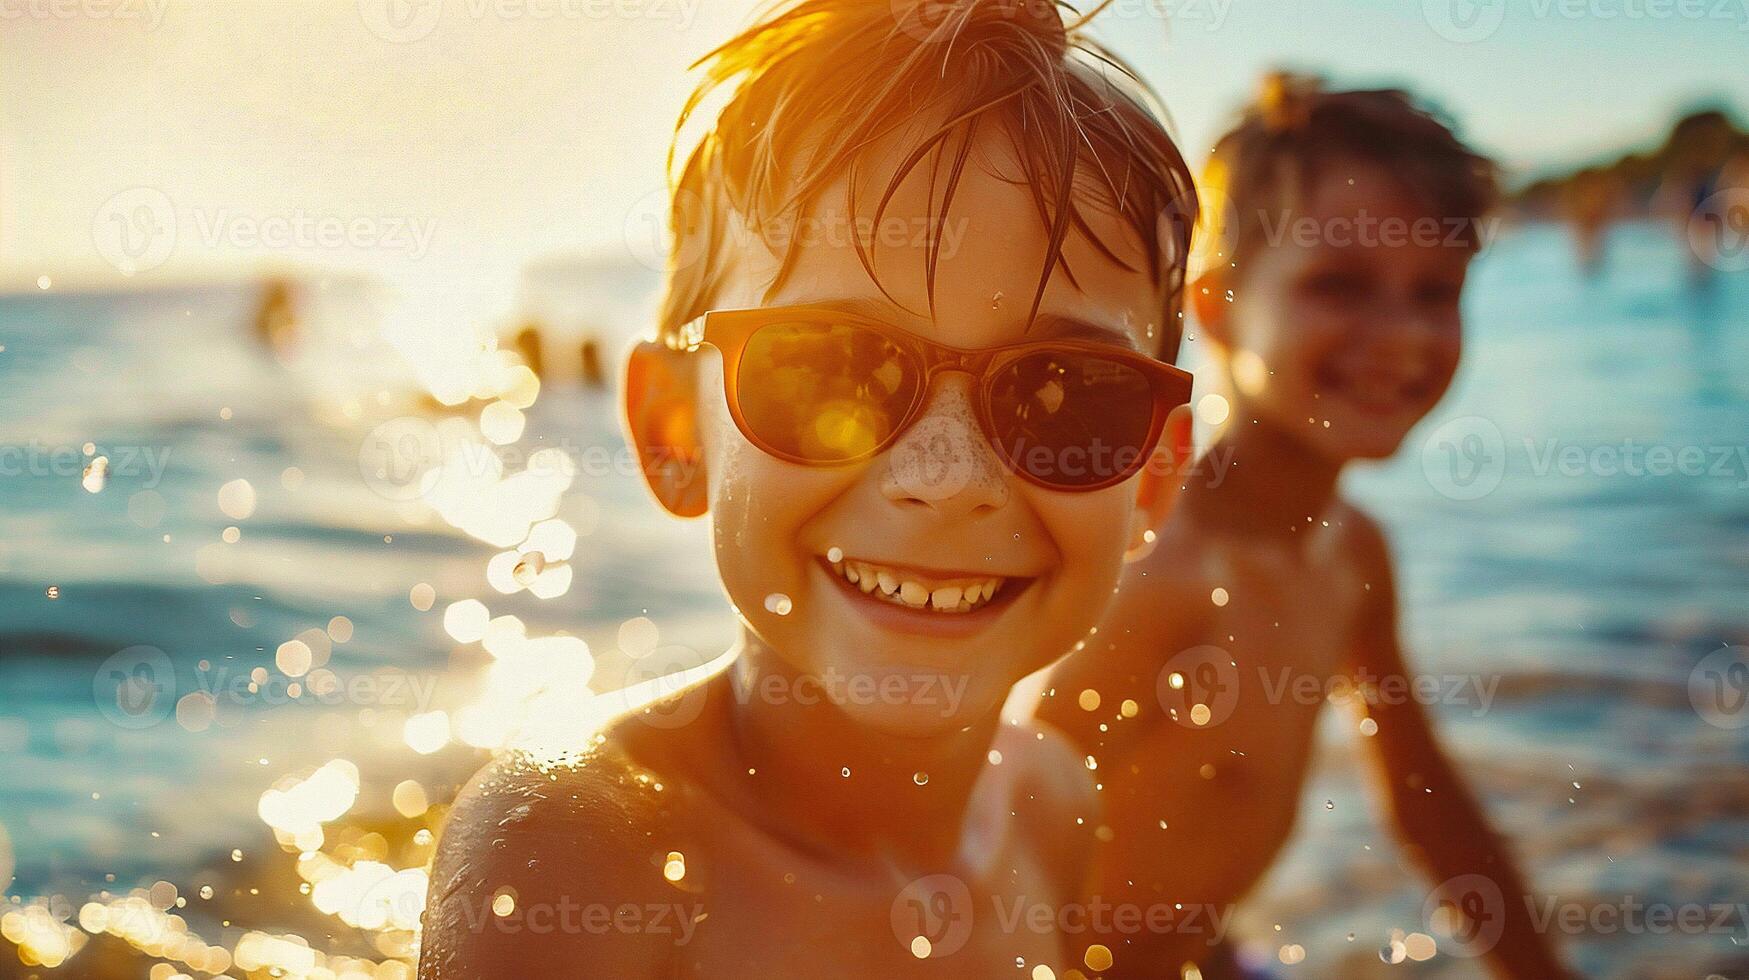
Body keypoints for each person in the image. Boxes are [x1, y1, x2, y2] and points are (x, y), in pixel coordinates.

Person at [420, 1, 1199, 975]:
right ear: (674, 431)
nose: (945, 478)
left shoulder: (1055, 806)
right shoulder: (577, 854)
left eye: (1067, 396)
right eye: (831, 371)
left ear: (1156, 475)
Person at [1037, 75, 1572, 979]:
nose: (1399, 335)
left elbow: (1428, 805)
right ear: (1215, 308)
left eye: (1434, 291)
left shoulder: (1351, 552)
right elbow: (991, 835)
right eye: (1340, 283)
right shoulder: (1157, 574)